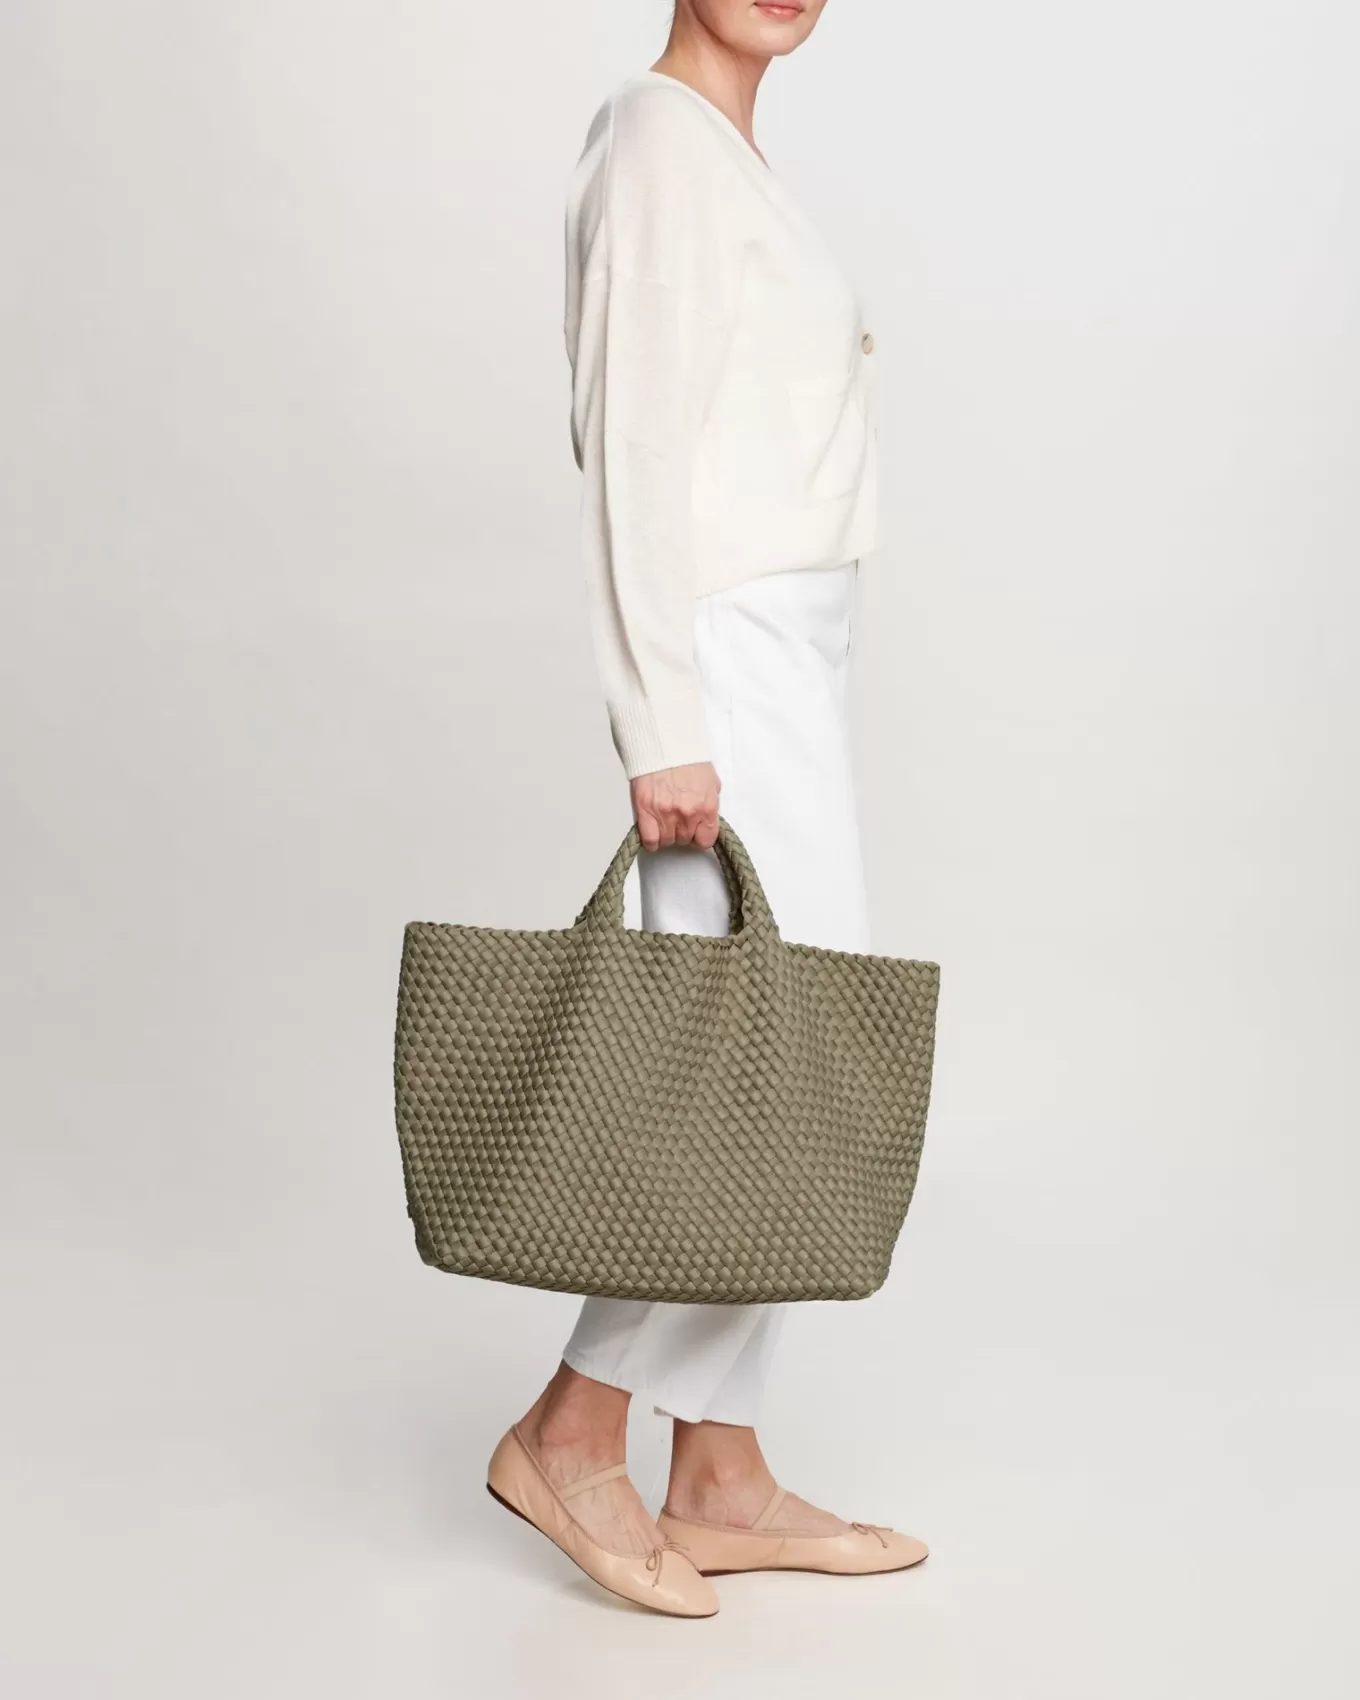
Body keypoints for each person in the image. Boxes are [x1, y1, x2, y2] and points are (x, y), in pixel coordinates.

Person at [485, 0, 927, 1617]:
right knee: (750, 1071)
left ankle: (721, 1472)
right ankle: (568, 1432)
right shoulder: (658, 139)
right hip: (725, 666)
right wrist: (662, 719)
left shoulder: (729, 154)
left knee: (772, 1057)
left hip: (782, 657)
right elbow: (636, 443)